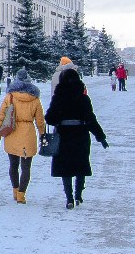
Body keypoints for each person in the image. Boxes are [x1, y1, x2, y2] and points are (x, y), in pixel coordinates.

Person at [44, 68, 108, 209]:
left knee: (65, 167)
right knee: (80, 165)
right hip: (81, 135)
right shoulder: (83, 98)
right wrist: (101, 137)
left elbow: (49, 118)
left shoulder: (58, 98)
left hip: (64, 136)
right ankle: (79, 195)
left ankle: (69, 198)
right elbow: (91, 119)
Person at [0, 67, 45, 204]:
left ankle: (15, 191)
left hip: (12, 131)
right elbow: (40, 120)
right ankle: (22, 194)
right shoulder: (35, 98)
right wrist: (42, 134)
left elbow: (1, 117)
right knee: (26, 167)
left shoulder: (9, 96)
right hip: (28, 132)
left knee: (13, 164)